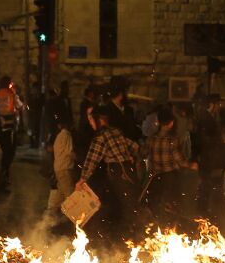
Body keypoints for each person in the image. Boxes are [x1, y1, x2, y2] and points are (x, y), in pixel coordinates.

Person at [76, 103, 141, 241]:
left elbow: (91, 160)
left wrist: (82, 180)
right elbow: (135, 146)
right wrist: (130, 156)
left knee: (122, 204)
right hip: (128, 170)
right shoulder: (116, 131)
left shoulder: (100, 138)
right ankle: (134, 233)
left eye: (91, 119)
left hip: (117, 172)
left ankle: (130, 237)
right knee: (129, 202)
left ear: (99, 120)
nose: (90, 122)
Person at [146, 106, 198, 219]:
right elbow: (179, 160)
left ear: (159, 122)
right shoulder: (172, 140)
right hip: (170, 177)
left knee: (158, 203)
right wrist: (191, 165)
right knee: (171, 204)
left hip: (155, 177)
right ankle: (171, 227)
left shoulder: (151, 139)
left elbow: (143, 153)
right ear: (171, 123)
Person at [0, 75, 19, 190]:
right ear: (9, 84)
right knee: (8, 153)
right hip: (7, 129)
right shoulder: (12, 95)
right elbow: (20, 107)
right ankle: (4, 174)